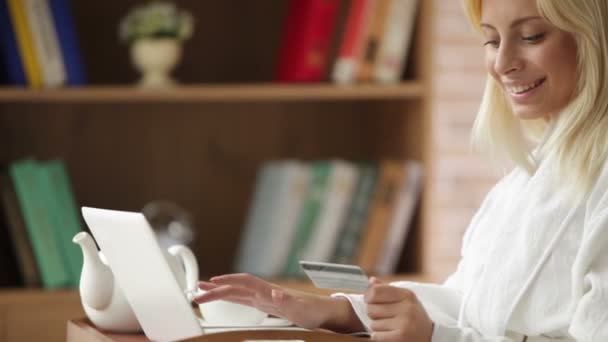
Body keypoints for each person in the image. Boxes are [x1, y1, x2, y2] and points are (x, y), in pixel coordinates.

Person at [194, 0, 608, 340]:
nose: (502, 63)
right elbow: (466, 301)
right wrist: (336, 310)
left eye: (531, 36)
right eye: (491, 40)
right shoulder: (524, 178)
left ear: (593, 36)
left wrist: (434, 337)